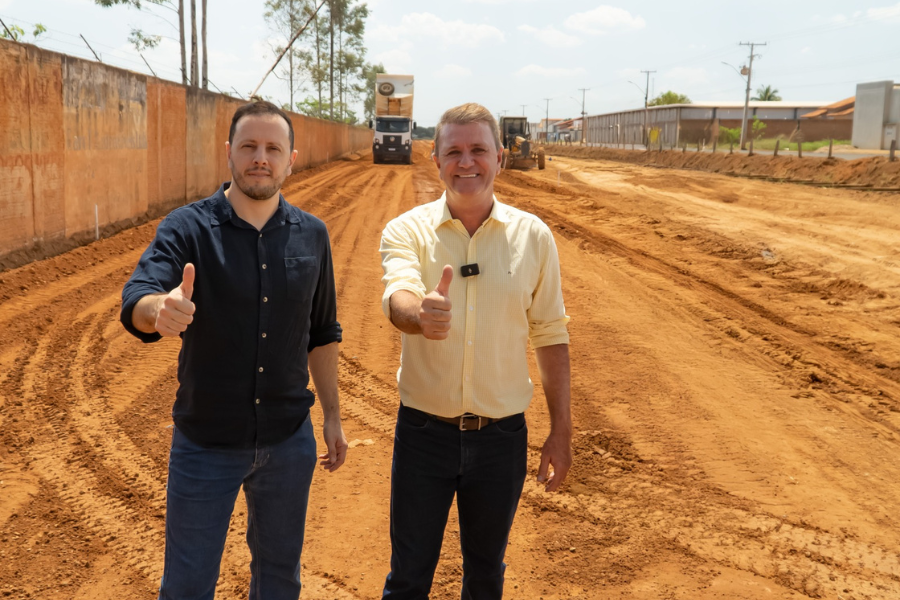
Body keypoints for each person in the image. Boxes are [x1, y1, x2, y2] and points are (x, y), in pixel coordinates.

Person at [120, 100, 347, 600]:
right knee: (187, 586)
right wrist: (159, 310)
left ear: (291, 159)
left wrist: (332, 415)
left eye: (273, 148)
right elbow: (139, 294)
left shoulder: (313, 234)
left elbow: (322, 330)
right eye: (249, 146)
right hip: (206, 444)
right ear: (229, 152)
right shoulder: (187, 228)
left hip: (289, 441)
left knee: (279, 581)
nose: (260, 158)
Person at [379, 102, 572, 599]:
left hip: (501, 441)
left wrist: (561, 429)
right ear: (436, 160)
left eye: (478, 150)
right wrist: (419, 315)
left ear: (500, 158)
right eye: (454, 152)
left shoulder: (534, 237)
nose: (466, 163)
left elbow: (550, 332)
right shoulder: (407, 230)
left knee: (486, 576)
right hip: (423, 435)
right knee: (408, 577)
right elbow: (398, 294)